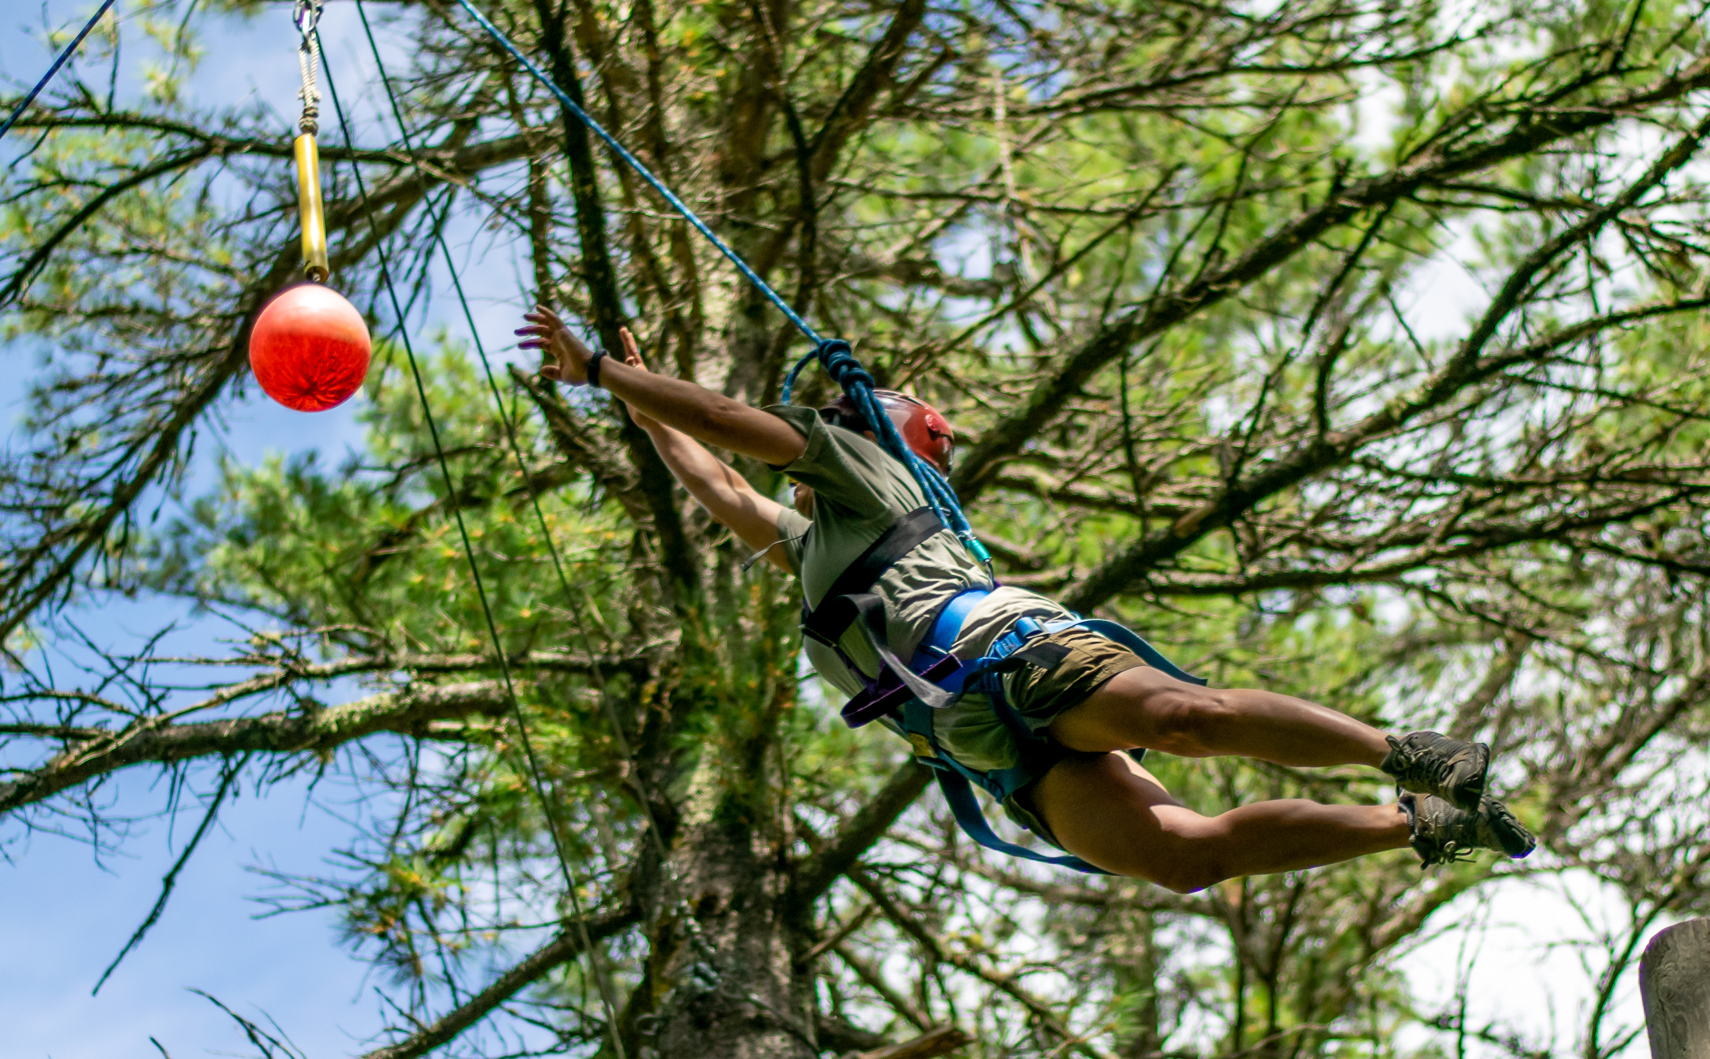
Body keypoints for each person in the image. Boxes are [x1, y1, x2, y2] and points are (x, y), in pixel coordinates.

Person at [515, 307, 1536, 890]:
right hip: (981, 741)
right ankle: (1423, 824)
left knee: (1184, 719)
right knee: (1185, 858)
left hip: (1010, 654)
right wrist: (628, 398)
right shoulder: (813, 543)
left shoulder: (869, 468)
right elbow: (720, 479)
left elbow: (735, 424)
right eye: (932, 418)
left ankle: (1418, 754)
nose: (944, 432)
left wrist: (606, 369)